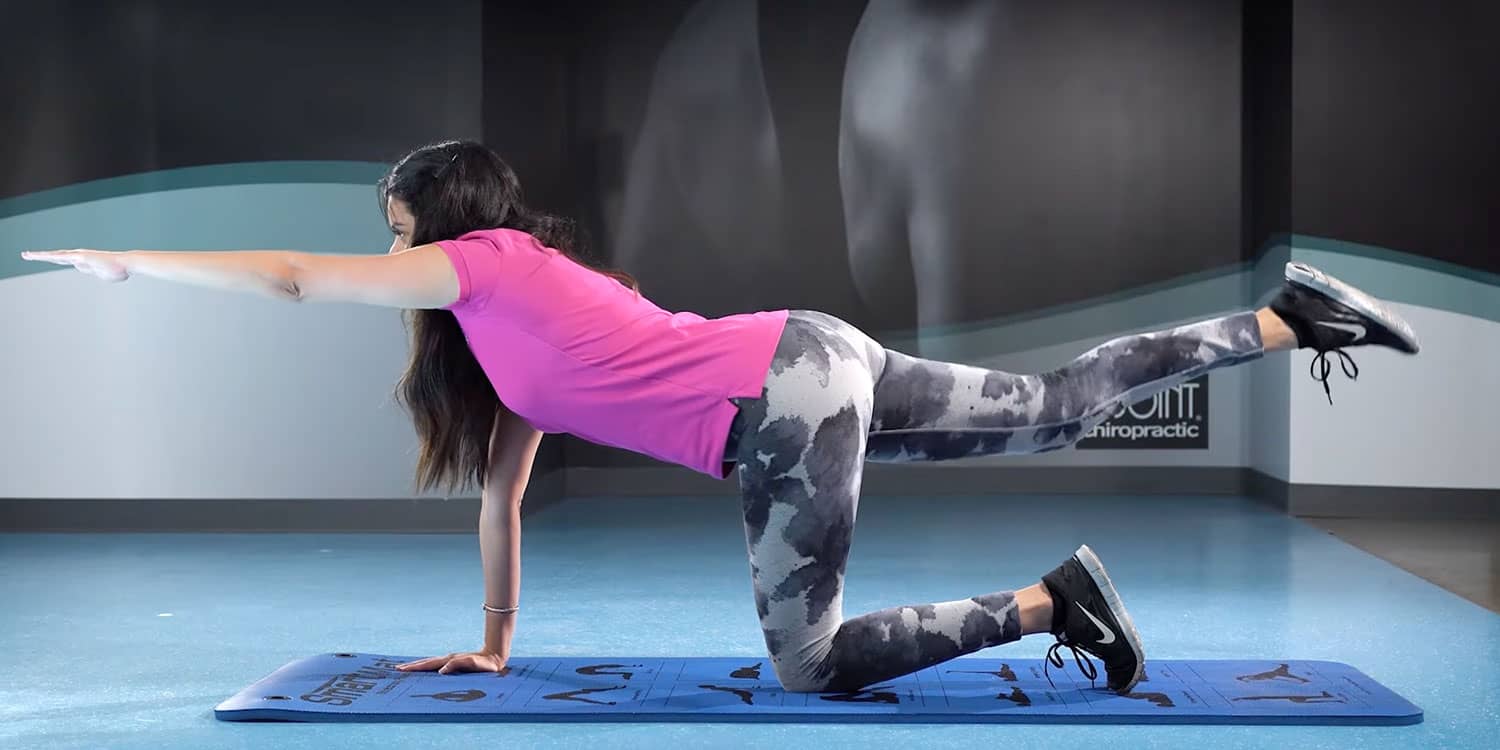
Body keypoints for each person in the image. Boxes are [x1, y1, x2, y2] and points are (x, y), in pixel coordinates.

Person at [22, 140, 1420, 695]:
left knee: (810, 663)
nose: (375, 238)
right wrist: (499, 647)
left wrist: (140, 260)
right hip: (809, 355)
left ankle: (1057, 602)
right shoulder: (509, 333)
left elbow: (287, 277)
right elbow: (504, 495)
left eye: (388, 219)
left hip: (782, 404)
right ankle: (1292, 318)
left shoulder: (488, 262)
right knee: (1053, 410)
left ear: (432, 220)